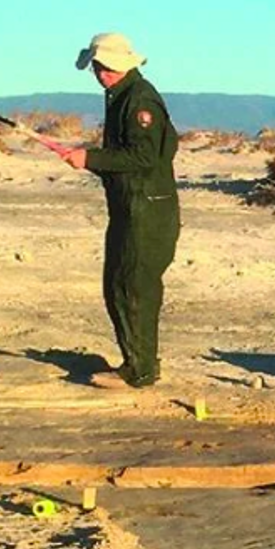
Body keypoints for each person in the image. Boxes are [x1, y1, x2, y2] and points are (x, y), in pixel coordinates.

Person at [58, 34, 180, 390]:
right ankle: (138, 361)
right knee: (118, 285)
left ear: (124, 64)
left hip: (147, 211)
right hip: (130, 208)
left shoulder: (140, 99)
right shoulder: (122, 96)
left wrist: (90, 158)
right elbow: (139, 152)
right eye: (98, 66)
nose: (101, 73)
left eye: (107, 66)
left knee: (133, 287)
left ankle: (139, 371)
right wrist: (89, 158)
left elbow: (145, 156)